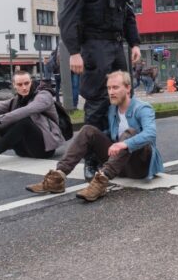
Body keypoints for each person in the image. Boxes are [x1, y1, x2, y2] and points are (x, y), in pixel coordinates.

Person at [59, 0, 141, 179]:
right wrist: (74, 51)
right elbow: (68, 18)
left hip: (116, 46)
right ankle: (91, 160)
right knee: (96, 102)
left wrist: (134, 42)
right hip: (93, 45)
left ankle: (120, 153)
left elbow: (128, 16)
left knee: (124, 99)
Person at [27, 71, 164, 202]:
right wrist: (92, 141)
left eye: (115, 87)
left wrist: (124, 143)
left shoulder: (142, 108)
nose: (111, 92)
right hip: (120, 165)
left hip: (140, 166)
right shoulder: (112, 110)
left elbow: (150, 134)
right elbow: (107, 135)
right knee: (88, 130)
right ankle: (57, 177)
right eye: (109, 88)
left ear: (128, 88)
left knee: (130, 133)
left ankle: (101, 181)